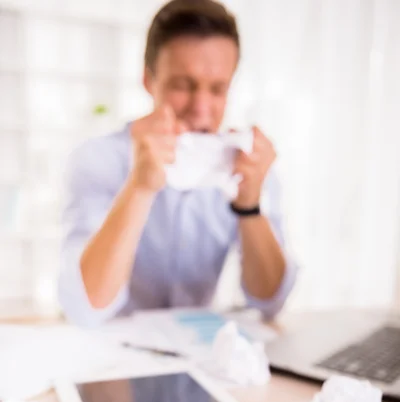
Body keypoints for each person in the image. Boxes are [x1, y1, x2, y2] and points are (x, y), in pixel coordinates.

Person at [59, 0, 297, 327]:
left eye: (217, 89)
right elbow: (86, 308)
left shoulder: (248, 167)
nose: (200, 108)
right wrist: (139, 188)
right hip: (113, 361)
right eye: (182, 86)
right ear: (148, 80)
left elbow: (270, 303)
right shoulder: (97, 160)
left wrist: (249, 207)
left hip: (201, 358)